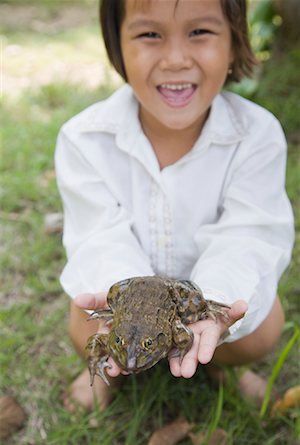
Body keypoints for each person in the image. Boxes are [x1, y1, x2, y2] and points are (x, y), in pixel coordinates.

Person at [55, 0, 294, 412]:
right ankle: (104, 372)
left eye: (199, 32)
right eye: (150, 34)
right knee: (85, 325)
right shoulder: (84, 138)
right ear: (117, 45)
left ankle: (217, 360)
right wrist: (127, 311)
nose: (176, 59)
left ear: (235, 41)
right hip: (129, 304)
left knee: (262, 325)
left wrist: (215, 301)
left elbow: (249, 234)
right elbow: (98, 237)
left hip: (200, 301)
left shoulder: (257, 135)